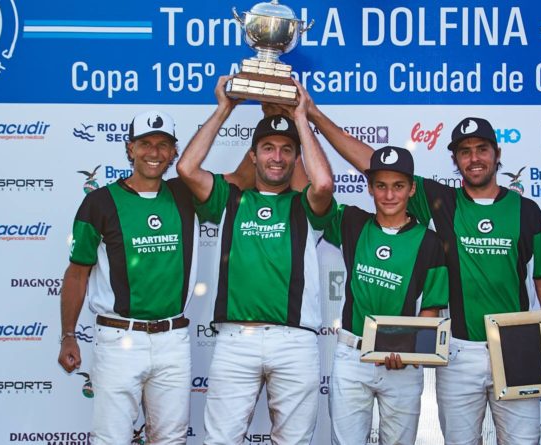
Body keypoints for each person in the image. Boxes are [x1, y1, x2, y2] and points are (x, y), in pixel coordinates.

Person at [307, 109, 541, 445]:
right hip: (459, 352)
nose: (474, 159)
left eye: (482, 149)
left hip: (516, 346)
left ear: (497, 153)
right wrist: (312, 114)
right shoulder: (441, 202)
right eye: (465, 151)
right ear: (455, 160)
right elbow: (373, 163)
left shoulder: (527, 210)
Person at [57, 110, 252, 445]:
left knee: (170, 439)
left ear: (175, 152)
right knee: (110, 439)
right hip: (119, 338)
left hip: (172, 340)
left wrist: (253, 113)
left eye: (163, 145)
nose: (154, 152)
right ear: (130, 148)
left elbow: (241, 178)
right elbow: (77, 274)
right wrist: (68, 335)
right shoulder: (99, 203)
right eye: (145, 143)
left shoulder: (185, 193)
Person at [176, 76, 334, 445]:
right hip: (236, 339)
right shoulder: (229, 198)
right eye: (267, 148)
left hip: (295, 340)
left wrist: (300, 117)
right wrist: (224, 108)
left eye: (286, 150)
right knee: (220, 440)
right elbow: (187, 170)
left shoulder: (305, 205)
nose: (276, 157)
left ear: (296, 158)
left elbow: (324, 184)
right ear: (253, 156)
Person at [320, 145, 449, 445]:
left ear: (412, 189)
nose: (389, 195)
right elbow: (314, 190)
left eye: (398, 186)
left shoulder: (430, 242)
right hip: (352, 357)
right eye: (381, 186)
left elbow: (431, 309)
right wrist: (302, 123)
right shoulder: (351, 222)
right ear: (370, 187)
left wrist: (406, 350)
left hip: (402, 365)